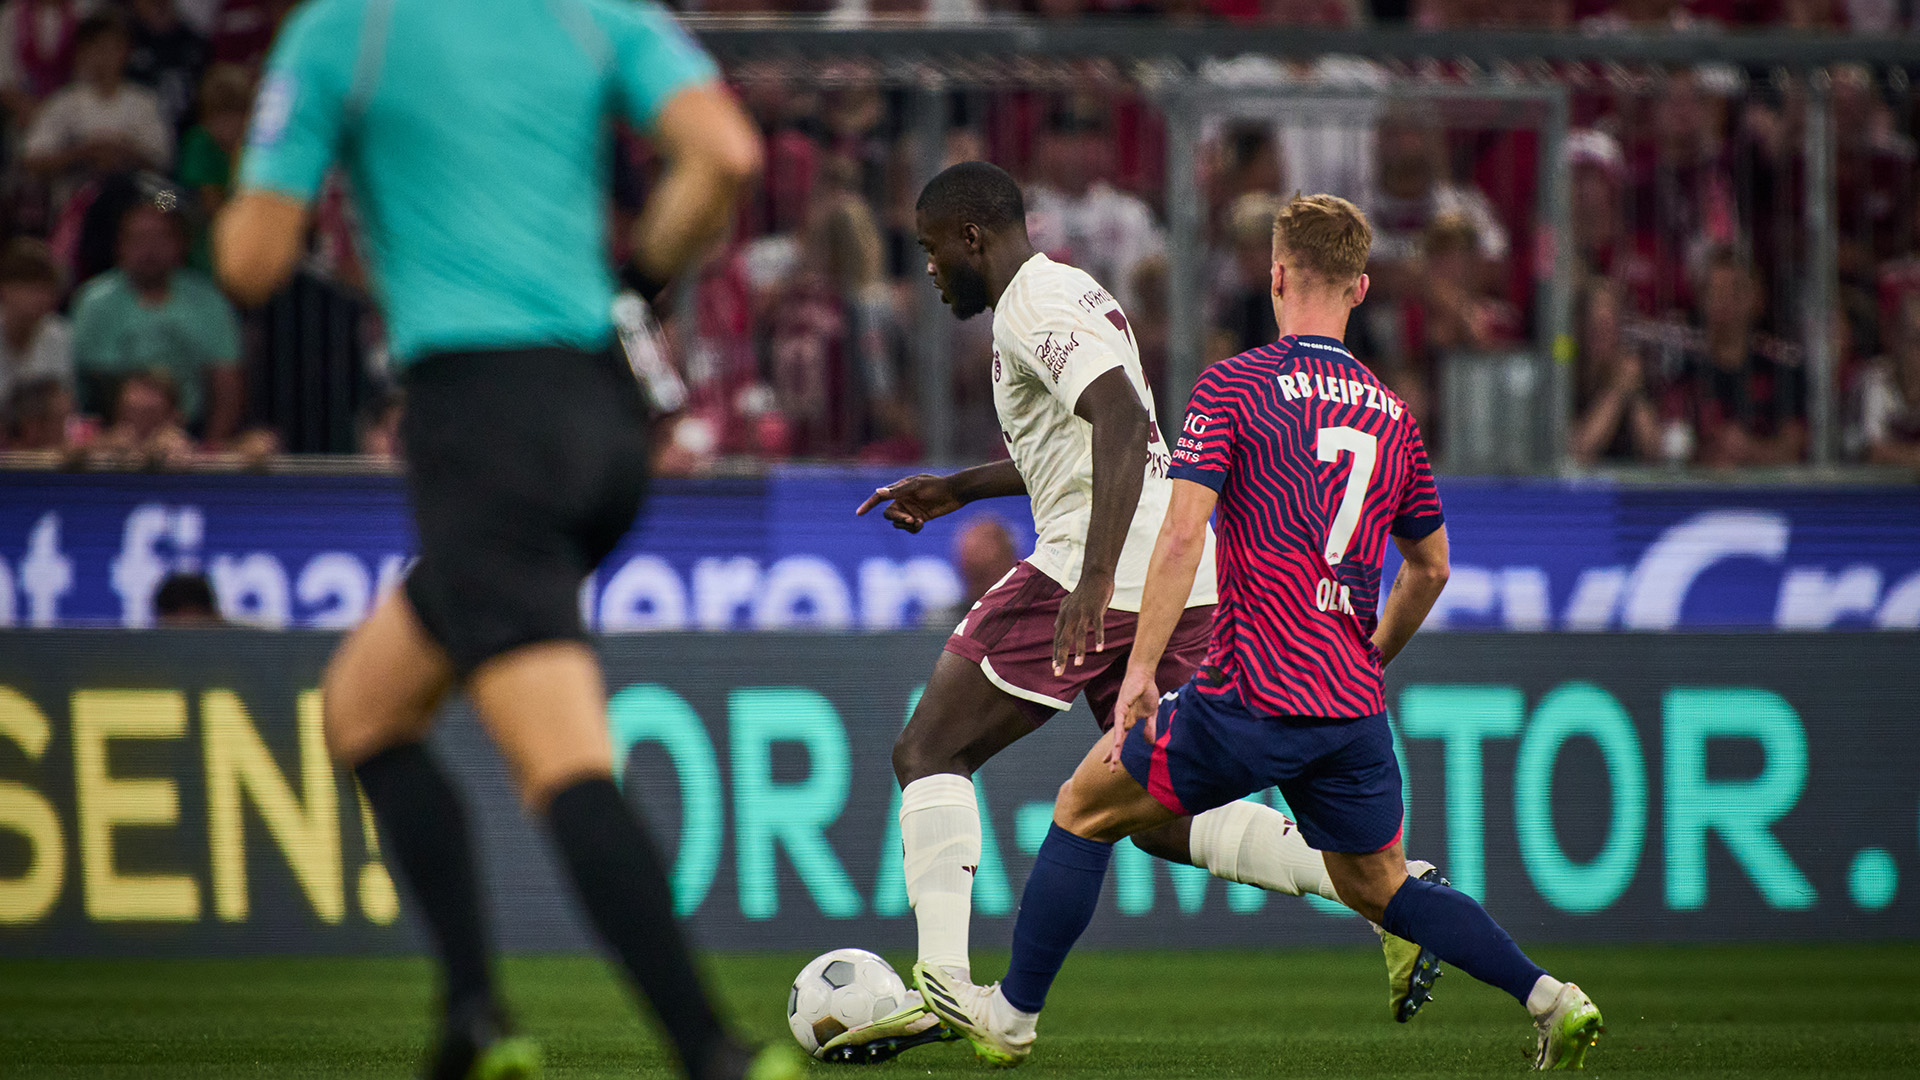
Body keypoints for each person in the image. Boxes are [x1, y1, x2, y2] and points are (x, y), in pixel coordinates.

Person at [211, 1, 778, 1078]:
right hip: (602, 419)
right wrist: (641, 284)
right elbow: (724, 155)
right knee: (365, 707)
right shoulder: (593, 11)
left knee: (560, 761)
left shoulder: (348, 27)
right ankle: (471, 1013)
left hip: (481, 421)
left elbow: (251, 263)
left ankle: (713, 1054)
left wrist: (250, 191)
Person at [917, 194, 1604, 1073]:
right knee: (1379, 885)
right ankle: (1553, 998)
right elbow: (1431, 567)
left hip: (1247, 688)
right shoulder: (1393, 417)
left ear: (1276, 276)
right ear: (1359, 288)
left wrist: (1137, 678)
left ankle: (1009, 1017)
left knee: (1082, 810)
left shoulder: (1235, 387)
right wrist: (1371, 653)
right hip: (1348, 705)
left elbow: (1179, 532)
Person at [842, 163, 1444, 1066]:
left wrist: (1086, 578)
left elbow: (1123, 424)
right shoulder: (1063, 294)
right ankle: (1394, 893)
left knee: (928, 750)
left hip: (1104, 559)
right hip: (1171, 567)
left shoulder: (1033, 306)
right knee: (1156, 811)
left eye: (931, 250)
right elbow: (1097, 435)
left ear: (973, 239)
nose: (928, 270)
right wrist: (960, 489)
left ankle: (943, 981)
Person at [71, 197, 242, 444]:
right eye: (138, 239)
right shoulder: (95, 301)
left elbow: (227, 384)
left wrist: (209, 453)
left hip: (190, 435)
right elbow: (92, 385)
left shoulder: (208, 302)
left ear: (180, 244)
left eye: (159, 238)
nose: (149, 249)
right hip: (111, 434)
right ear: (120, 245)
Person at [22, 11, 172, 204]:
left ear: (126, 51)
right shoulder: (63, 102)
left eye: (113, 48)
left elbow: (163, 162)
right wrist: (84, 152)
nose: (105, 56)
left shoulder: (144, 101)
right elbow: (33, 160)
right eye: (97, 48)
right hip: (73, 206)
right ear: (82, 52)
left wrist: (122, 152)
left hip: (133, 207)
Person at [0, 237, 72, 415]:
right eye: (30, 288)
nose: (40, 298)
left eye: (46, 289)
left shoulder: (59, 334)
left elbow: (62, 407)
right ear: (5, 289)